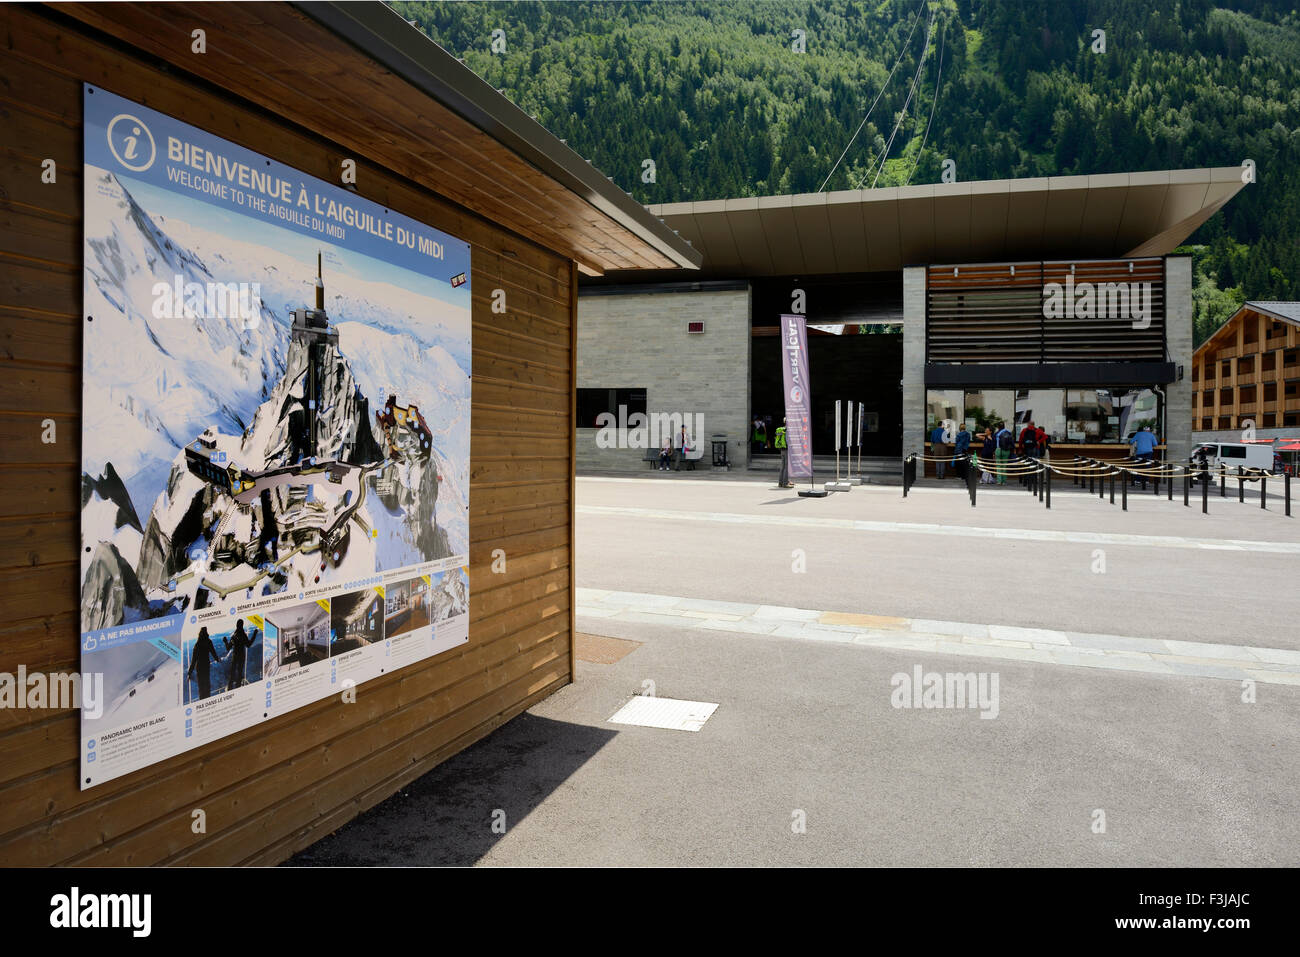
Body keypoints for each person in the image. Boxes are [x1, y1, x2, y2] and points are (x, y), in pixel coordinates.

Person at [188, 627, 221, 701]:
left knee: (201, 687)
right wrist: (218, 659)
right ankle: (207, 700)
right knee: (207, 685)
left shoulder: (197, 644)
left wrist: (190, 672)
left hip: (199, 667)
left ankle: (202, 701)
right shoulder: (209, 641)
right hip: (206, 667)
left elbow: (194, 660)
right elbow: (213, 652)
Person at [225, 618, 254, 691]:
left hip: (235, 657)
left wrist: (225, 641)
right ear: (242, 625)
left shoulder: (234, 636)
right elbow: (248, 645)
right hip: (241, 657)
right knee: (239, 673)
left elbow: (228, 648)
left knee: (232, 673)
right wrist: (255, 634)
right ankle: (238, 689)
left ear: (236, 625)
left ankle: (229, 689)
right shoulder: (243, 635)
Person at [1130, 425, 1159, 489]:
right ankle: (1146, 480)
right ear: (1149, 430)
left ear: (1143, 430)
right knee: (1147, 466)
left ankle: (1138, 480)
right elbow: (1155, 444)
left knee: (1139, 465)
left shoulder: (1138, 434)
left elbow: (1131, 441)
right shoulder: (1151, 435)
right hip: (1149, 452)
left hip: (1140, 452)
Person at [775, 417, 791, 487]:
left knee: (783, 466)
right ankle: (785, 483)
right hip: (787, 449)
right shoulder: (787, 430)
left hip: (782, 449)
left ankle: (780, 482)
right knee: (786, 467)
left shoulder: (781, 429)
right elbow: (788, 441)